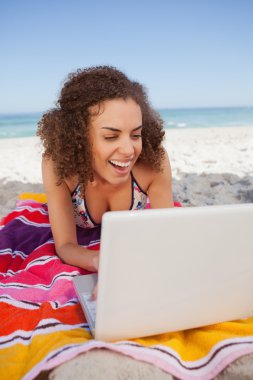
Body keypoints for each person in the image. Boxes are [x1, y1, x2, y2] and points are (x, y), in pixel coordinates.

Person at [37, 65, 173, 278]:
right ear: (78, 136)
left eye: (136, 135)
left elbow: (167, 235)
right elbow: (65, 245)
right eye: (111, 137)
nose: (129, 150)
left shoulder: (154, 162)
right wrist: (98, 261)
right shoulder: (58, 166)